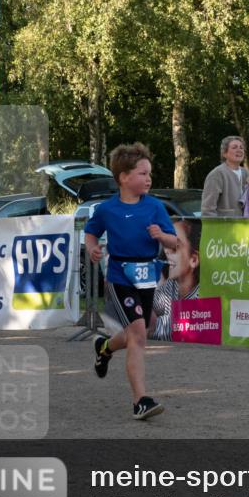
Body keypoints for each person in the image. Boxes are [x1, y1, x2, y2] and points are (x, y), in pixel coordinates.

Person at [84, 143, 177, 420]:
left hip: (148, 275)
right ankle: (141, 401)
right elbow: (91, 233)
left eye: (150, 174)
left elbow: (174, 241)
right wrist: (92, 249)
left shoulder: (155, 206)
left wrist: (161, 236)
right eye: (142, 173)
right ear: (123, 177)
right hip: (120, 276)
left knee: (144, 327)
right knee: (138, 333)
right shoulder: (106, 209)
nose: (148, 179)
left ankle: (104, 347)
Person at [150, 219, 201, 342]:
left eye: (175, 247)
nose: (167, 250)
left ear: (193, 260)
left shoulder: (203, 297)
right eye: (166, 245)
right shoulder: (169, 287)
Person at [201, 136, 249, 218]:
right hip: (225, 227)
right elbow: (207, 210)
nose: (239, 150)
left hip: (246, 227)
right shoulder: (216, 174)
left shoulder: (246, 174)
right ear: (224, 153)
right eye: (234, 147)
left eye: (241, 148)